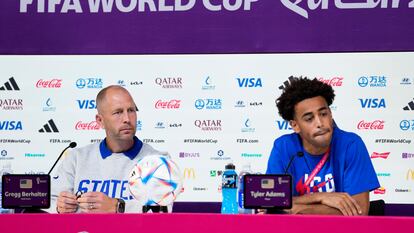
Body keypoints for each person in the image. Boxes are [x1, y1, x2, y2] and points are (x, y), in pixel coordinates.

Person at [266, 77, 380, 216]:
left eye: (323, 114)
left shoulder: (351, 144)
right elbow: (273, 202)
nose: (320, 123)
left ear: (331, 114)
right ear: (295, 125)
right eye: (309, 118)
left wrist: (299, 209)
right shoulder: (283, 147)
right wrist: (322, 197)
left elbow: (360, 211)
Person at [49, 85, 167, 213]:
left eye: (131, 110)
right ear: (100, 121)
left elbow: (162, 210)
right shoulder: (76, 158)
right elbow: (50, 202)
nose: (127, 119)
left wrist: (117, 207)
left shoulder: (157, 161)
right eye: (118, 112)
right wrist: (59, 207)